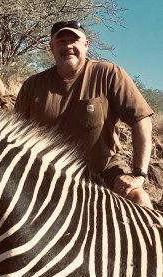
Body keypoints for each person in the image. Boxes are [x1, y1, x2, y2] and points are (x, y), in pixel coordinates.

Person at [14, 20, 154, 209]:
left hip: (102, 169)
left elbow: (141, 120)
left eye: (74, 40)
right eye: (61, 41)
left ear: (86, 45)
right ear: (51, 47)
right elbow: (16, 135)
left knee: (139, 200)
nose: (68, 46)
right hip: (47, 173)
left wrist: (138, 174)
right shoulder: (32, 85)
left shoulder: (108, 73)